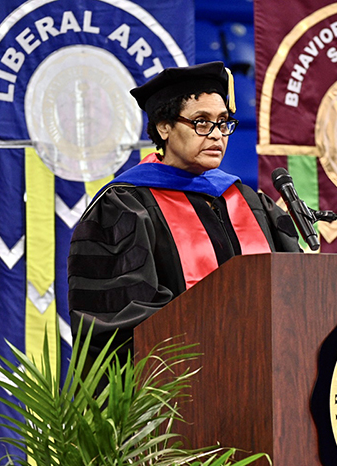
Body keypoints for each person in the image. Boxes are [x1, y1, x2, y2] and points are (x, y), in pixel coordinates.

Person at [67, 61, 301, 354]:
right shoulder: (124, 207)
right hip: (177, 385)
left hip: (263, 374)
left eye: (224, 122)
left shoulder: (249, 201)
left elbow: (294, 293)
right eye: (201, 122)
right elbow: (122, 320)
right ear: (164, 127)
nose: (217, 134)